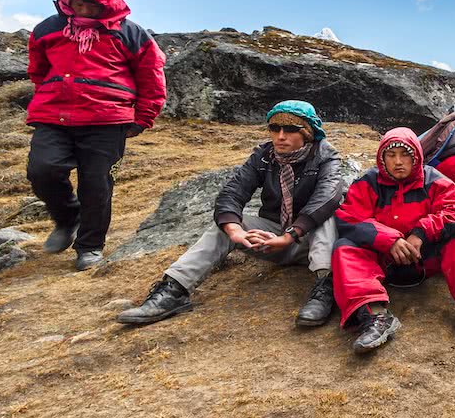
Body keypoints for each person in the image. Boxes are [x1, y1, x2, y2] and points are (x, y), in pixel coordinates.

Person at [118, 101, 344, 327]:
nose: (281, 136)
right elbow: (232, 193)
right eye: (275, 128)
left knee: (328, 215)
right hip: (273, 237)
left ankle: (324, 286)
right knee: (226, 223)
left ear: (307, 132)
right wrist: (234, 230)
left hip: (309, 240)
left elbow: (326, 198)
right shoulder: (264, 155)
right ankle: (174, 289)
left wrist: (288, 236)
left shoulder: (326, 155)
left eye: (291, 129)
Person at [26, 0, 167, 271]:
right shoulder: (46, 30)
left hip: (107, 120)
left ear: (106, 2)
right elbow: (38, 71)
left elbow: (152, 76)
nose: (85, 10)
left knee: (96, 184)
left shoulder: (130, 33)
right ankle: (67, 219)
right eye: (78, 4)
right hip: (54, 117)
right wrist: (52, 96)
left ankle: (90, 246)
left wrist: (143, 117)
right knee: (42, 170)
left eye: (92, 4)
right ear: (66, 2)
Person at [332, 127, 455, 354]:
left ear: (417, 157)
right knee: (345, 247)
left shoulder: (435, 180)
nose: (398, 162)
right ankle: (373, 315)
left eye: (405, 155)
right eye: (391, 155)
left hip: (426, 259)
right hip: (383, 260)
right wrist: (389, 240)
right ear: (382, 157)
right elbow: (350, 217)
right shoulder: (368, 182)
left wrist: (421, 233)